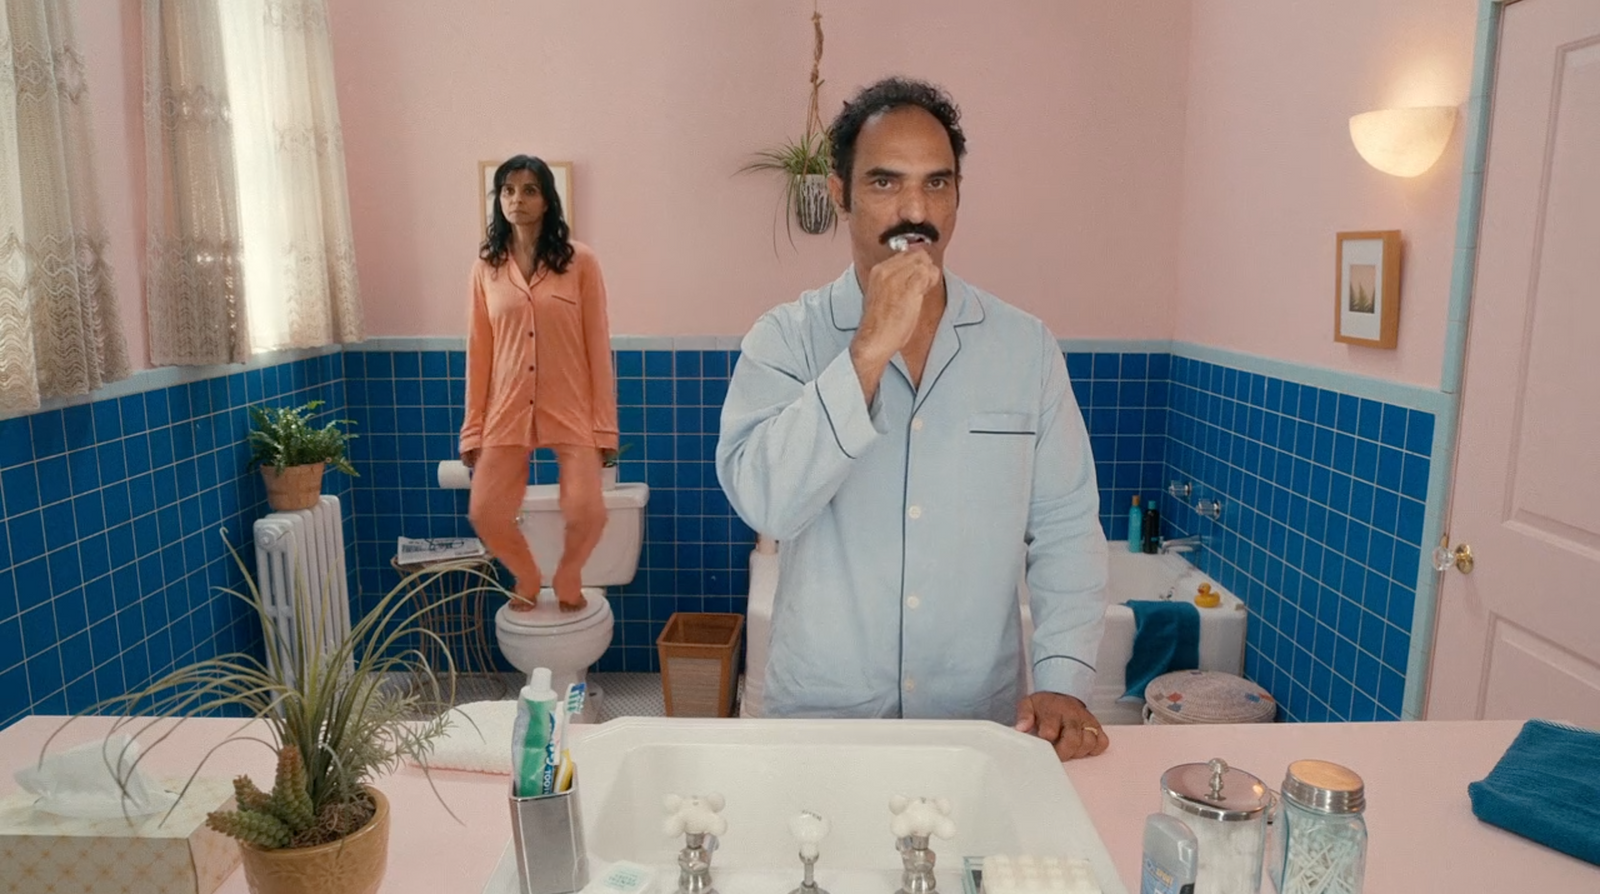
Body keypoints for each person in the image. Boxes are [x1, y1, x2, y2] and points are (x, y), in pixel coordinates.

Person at [715, 78, 1110, 761]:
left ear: (958, 194)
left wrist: (1065, 681)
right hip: (821, 720)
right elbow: (767, 504)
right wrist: (866, 352)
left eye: (937, 183)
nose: (914, 210)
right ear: (839, 193)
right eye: (884, 183)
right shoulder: (785, 339)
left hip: (977, 722)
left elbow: (1068, 529)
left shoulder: (1026, 349)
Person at [460, 155, 618, 613]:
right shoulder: (485, 269)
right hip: (505, 409)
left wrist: (604, 428)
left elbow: (597, 347)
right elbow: (478, 353)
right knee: (485, 511)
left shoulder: (580, 263)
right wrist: (473, 428)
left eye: (529, 190)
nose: (517, 200)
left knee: (588, 512)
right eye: (508, 190)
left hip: (571, 407)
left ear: (548, 200)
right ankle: (527, 576)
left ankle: (569, 576)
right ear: (498, 200)